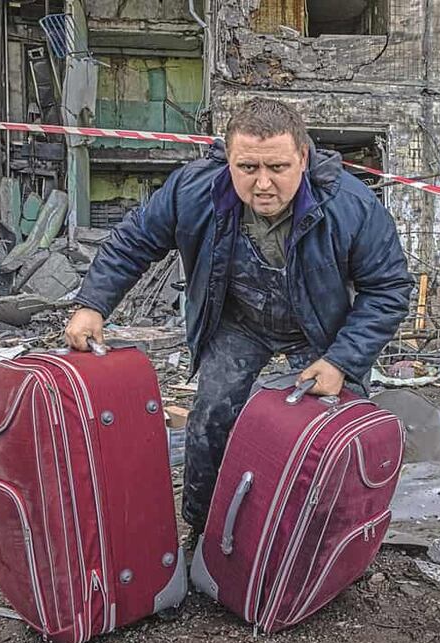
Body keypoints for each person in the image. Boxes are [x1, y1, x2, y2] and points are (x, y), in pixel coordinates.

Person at [64, 97, 413, 539]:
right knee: (211, 416)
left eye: (278, 168)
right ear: (227, 159)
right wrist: (92, 303)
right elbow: (132, 243)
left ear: (302, 158)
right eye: (247, 168)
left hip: (322, 329)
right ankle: (205, 530)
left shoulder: (351, 206)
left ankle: (330, 539)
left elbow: (388, 290)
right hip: (239, 320)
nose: (263, 184)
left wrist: (342, 361)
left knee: (336, 430)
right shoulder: (193, 190)